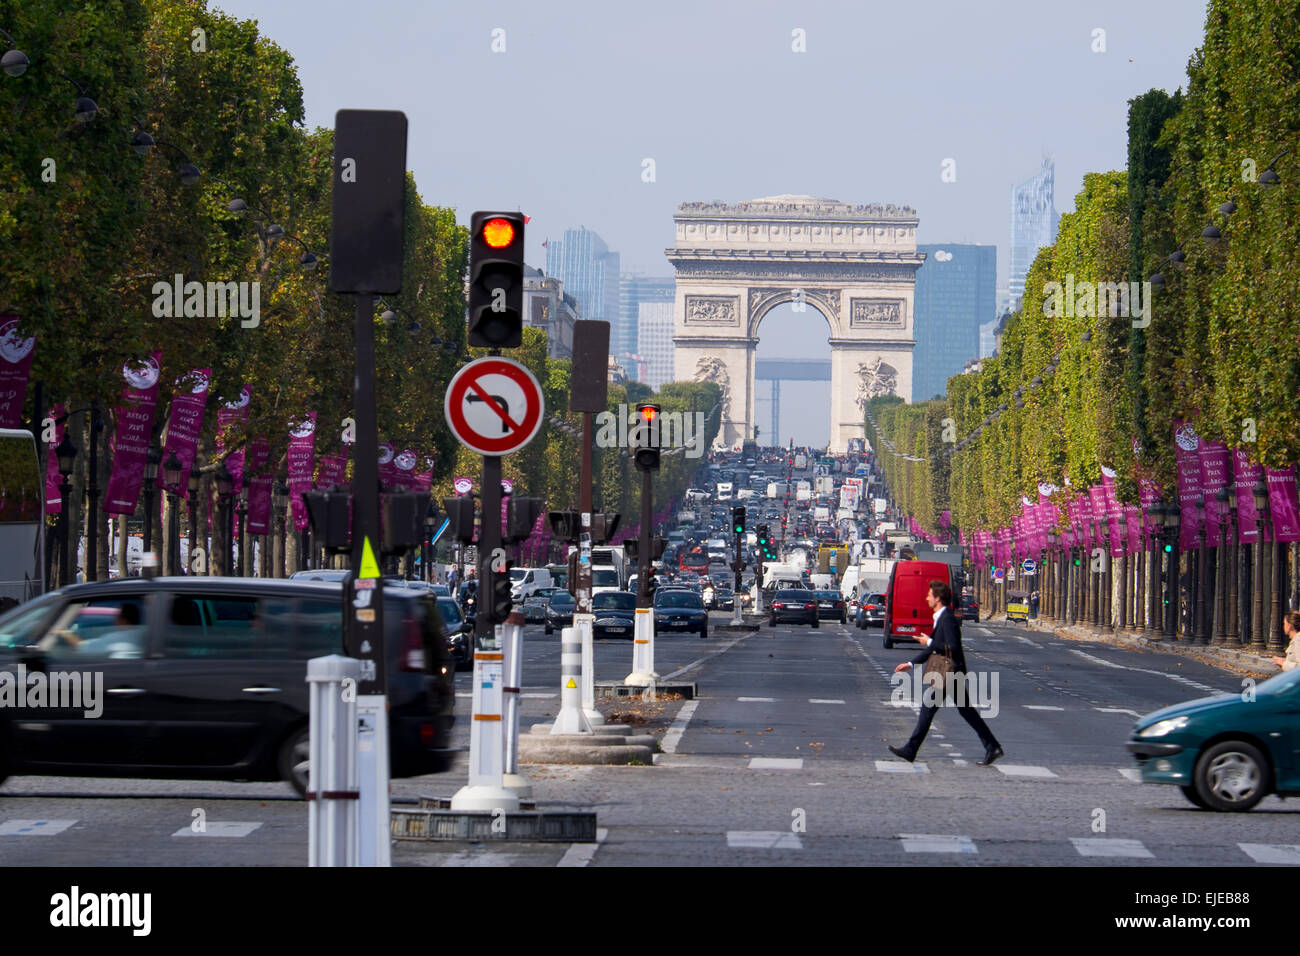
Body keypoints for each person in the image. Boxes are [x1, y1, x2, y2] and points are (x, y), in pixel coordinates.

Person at [888, 579, 1004, 766]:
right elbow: (932, 648)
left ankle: (911, 750)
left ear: (938, 598)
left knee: (929, 709)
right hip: (952, 673)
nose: (926, 598)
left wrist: (929, 643)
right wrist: (911, 663)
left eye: (929, 595)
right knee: (966, 711)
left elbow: (952, 646)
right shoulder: (941, 617)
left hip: (950, 673)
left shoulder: (947, 618)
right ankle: (992, 746)